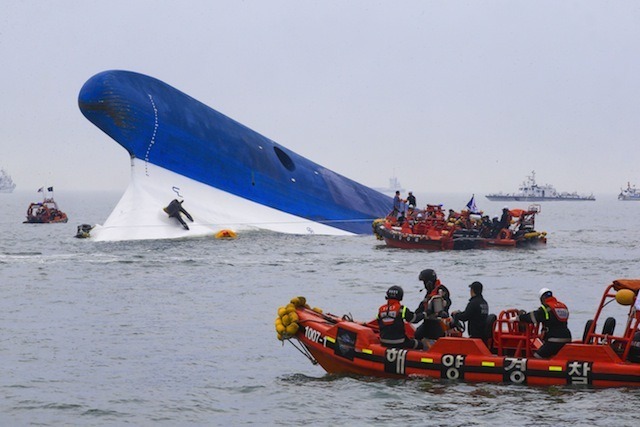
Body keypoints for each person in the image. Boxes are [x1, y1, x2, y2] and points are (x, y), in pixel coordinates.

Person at [518, 288, 571, 358]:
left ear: (542, 298)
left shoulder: (545, 308)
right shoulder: (563, 306)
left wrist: (519, 318)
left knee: (537, 356)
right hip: (567, 338)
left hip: (554, 340)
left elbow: (534, 317)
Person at [377, 285, 425, 349]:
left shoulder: (381, 309)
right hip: (400, 342)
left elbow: (379, 322)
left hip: (384, 342)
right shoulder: (402, 309)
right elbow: (414, 319)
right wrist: (425, 314)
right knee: (420, 344)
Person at [414, 269, 452, 341]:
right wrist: (415, 316)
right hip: (428, 322)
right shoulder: (429, 293)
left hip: (438, 323)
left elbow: (447, 302)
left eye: (424, 282)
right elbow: (422, 306)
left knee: (434, 334)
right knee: (417, 334)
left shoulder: (441, 290)